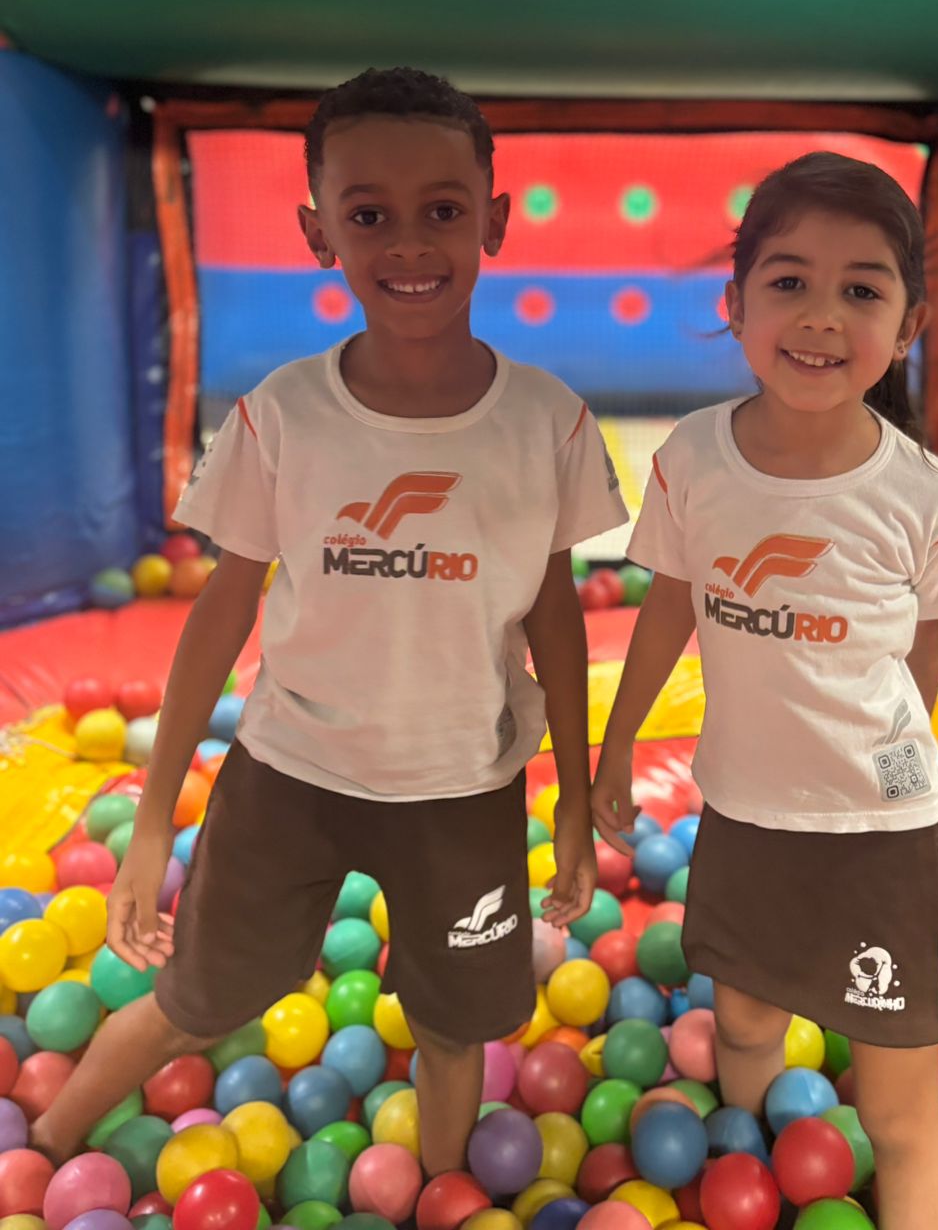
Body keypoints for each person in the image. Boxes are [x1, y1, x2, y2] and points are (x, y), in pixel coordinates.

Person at [33, 66, 627, 1172]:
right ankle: (45, 1139)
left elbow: (556, 617)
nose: (408, 244)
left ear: (495, 220)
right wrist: (154, 819)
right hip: (290, 778)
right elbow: (221, 613)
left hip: (464, 791)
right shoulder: (284, 416)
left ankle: (440, 1189)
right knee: (196, 1002)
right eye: (368, 216)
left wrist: (578, 807)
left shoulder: (547, 423)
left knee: (453, 1028)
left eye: (442, 210)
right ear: (318, 234)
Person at [592, 153, 938, 1230]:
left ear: (907, 328)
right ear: (735, 305)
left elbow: (922, 666)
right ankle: (755, 1175)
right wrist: (617, 744)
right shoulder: (694, 458)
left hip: (880, 836)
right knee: (745, 1024)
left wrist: (907, 791)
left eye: (861, 289)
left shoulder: (926, 495)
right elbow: (668, 610)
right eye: (789, 282)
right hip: (747, 815)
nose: (821, 316)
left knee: (900, 1108)